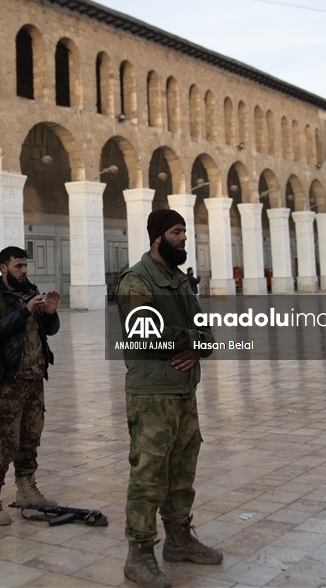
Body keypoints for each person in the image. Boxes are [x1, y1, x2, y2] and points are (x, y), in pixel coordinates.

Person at [116, 208, 222, 588]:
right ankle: (139, 555)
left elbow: (204, 333)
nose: (183, 239)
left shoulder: (179, 280)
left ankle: (179, 540)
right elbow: (145, 333)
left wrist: (198, 346)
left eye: (185, 232)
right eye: (177, 232)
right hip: (152, 394)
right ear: (157, 236)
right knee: (149, 474)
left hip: (183, 390)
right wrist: (195, 342)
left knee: (181, 472)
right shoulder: (136, 281)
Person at [0, 246, 61, 526]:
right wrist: (25, 311)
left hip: (35, 378)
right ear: (3, 268)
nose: (24, 271)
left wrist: (49, 313)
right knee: (6, 441)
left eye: (25, 266)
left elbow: (47, 330)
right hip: (10, 381)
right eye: (18, 266)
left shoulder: (30, 290)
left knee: (30, 438)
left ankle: (27, 488)